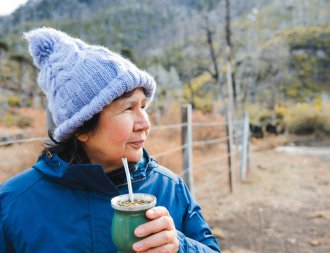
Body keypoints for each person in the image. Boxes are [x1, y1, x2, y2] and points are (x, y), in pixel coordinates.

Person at [0, 27, 221, 253]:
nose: (145, 123)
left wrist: (179, 246)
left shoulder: (169, 187)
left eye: (143, 106)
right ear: (81, 128)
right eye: (128, 108)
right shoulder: (14, 204)